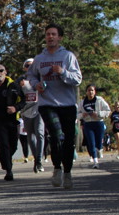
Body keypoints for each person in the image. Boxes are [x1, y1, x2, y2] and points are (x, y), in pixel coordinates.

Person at [26, 24, 83, 189]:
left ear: (60, 37)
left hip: (67, 104)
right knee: (57, 136)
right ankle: (57, 168)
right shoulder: (39, 59)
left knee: (68, 141)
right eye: (48, 34)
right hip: (47, 104)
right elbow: (31, 75)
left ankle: (67, 173)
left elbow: (77, 79)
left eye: (53, 34)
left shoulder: (68, 56)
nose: (50, 37)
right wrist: (36, 84)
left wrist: (63, 72)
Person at [17, 58, 46, 172]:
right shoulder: (21, 80)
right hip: (26, 111)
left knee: (40, 133)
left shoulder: (41, 77)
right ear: (24, 68)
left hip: (39, 110)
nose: (30, 67)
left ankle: (39, 160)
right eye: (27, 66)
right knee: (31, 137)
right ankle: (36, 159)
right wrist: (20, 87)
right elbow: (15, 93)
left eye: (32, 65)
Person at [78, 84, 110, 169]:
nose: (90, 92)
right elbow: (77, 114)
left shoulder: (99, 100)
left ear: (95, 92)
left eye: (92, 90)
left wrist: (98, 114)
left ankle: (99, 151)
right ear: (86, 92)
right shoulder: (82, 102)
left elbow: (108, 110)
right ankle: (95, 161)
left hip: (98, 123)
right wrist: (82, 115)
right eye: (89, 90)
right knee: (91, 143)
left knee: (99, 144)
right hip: (88, 124)